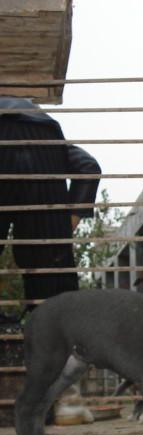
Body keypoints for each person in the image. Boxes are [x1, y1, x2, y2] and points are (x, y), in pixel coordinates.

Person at [0, 96, 101, 311]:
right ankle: (53, 330)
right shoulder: (48, 135)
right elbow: (89, 167)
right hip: (44, 137)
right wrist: (66, 225)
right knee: (49, 260)